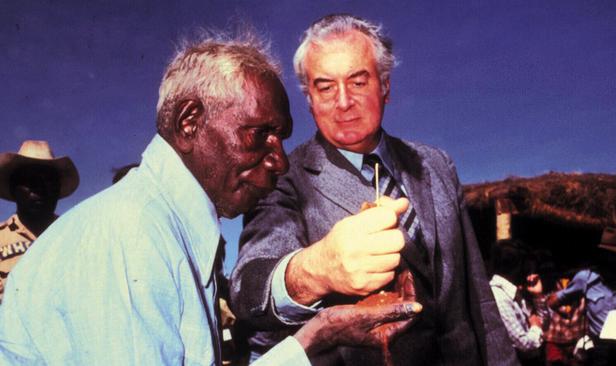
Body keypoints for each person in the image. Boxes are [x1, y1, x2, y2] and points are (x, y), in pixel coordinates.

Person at [0, 34, 421, 365]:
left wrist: (319, 335)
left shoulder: (160, 226)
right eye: (261, 135)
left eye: (282, 139)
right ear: (189, 123)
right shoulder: (132, 237)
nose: (279, 161)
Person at [230, 14, 517, 365]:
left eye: (358, 82)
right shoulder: (286, 180)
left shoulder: (436, 165)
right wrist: (316, 268)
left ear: (385, 86)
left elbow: (478, 300)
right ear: (309, 100)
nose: (343, 101)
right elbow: (249, 286)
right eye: (325, 87)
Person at [546, 227, 616, 366]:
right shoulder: (586, 278)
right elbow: (553, 302)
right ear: (602, 254)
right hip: (601, 351)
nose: (615, 260)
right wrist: (570, 308)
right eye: (610, 255)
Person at [0, 140, 79, 303]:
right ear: (14, 188)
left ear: (58, 190)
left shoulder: (77, 237)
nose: (39, 189)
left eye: (48, 182)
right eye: (29, 181)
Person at [489, 240, 548, 365]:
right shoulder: (499, 297)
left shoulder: (514, 293)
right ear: (518, 267)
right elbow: (524, 344)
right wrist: (536, 328)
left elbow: (544, 325)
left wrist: (538, 296)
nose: (530, 273)